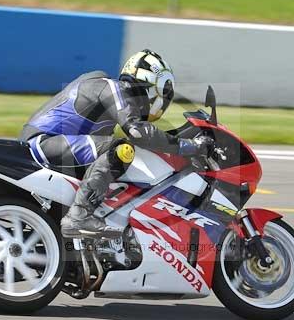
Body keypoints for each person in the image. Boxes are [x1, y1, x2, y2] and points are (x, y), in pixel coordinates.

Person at [20, 49, 213, 238]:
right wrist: (189, 145)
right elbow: (138, 132)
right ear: (150, 88)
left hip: (50, 144)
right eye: (160, 97)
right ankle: (79, 216)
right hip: (44, 143)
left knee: (118, 156)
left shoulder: (107, 97)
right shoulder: (114, 88)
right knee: (120, 150)